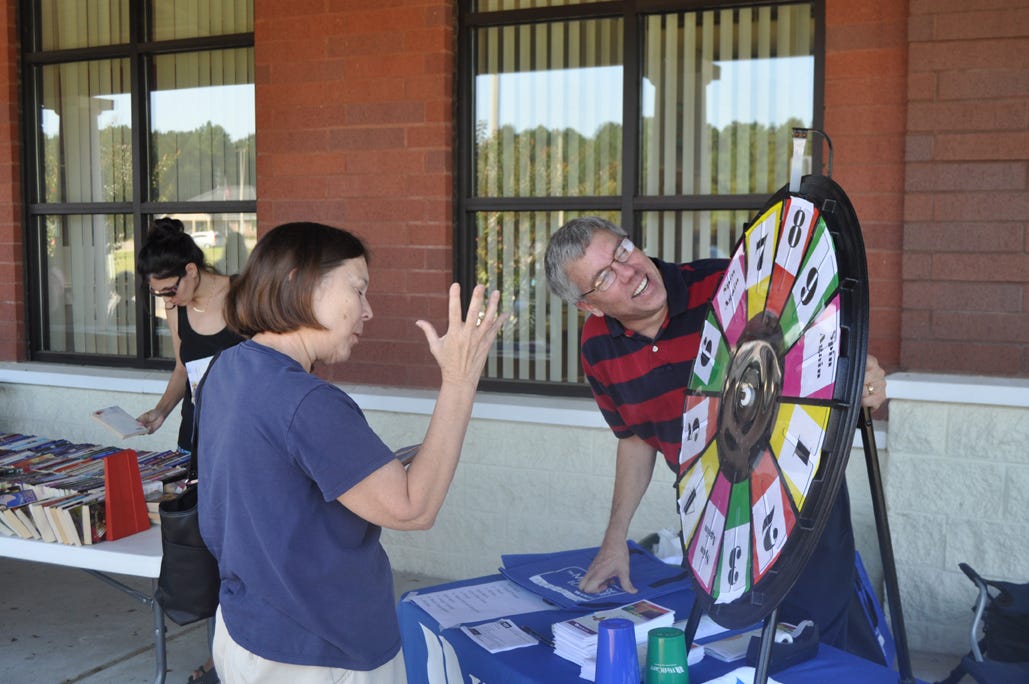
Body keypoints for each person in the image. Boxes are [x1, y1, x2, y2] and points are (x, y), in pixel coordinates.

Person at [544, 216, 888, 661]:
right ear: (589, 306)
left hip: (796, 491)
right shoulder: (597, 348)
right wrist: (615, 539)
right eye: (605, 276)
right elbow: (634, 439)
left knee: (820, 643)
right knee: (736, 645)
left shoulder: (728, 284)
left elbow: (814, 347)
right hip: (715, 512)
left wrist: (861, 374)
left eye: (622, 250)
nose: (630, 271)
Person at [196, 221, 507, 683]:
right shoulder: (306, 400)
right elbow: (411, 509)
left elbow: (275, 482)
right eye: (358, 291)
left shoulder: (227, 367)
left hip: (246, 631)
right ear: (296, 282)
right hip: (319, 653)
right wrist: (460, 380)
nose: (368, 311)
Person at [136, 217, 244, 684]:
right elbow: (184, 367)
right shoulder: (178, 311)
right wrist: (161, 411)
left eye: (168, 290)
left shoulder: (245, 294)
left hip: (244, 440)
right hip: (200, 438)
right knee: (209, 548)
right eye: (158, 293)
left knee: (244, 551)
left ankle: (237, 653)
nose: (165, 300)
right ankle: (221, 653)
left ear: (192, 269)